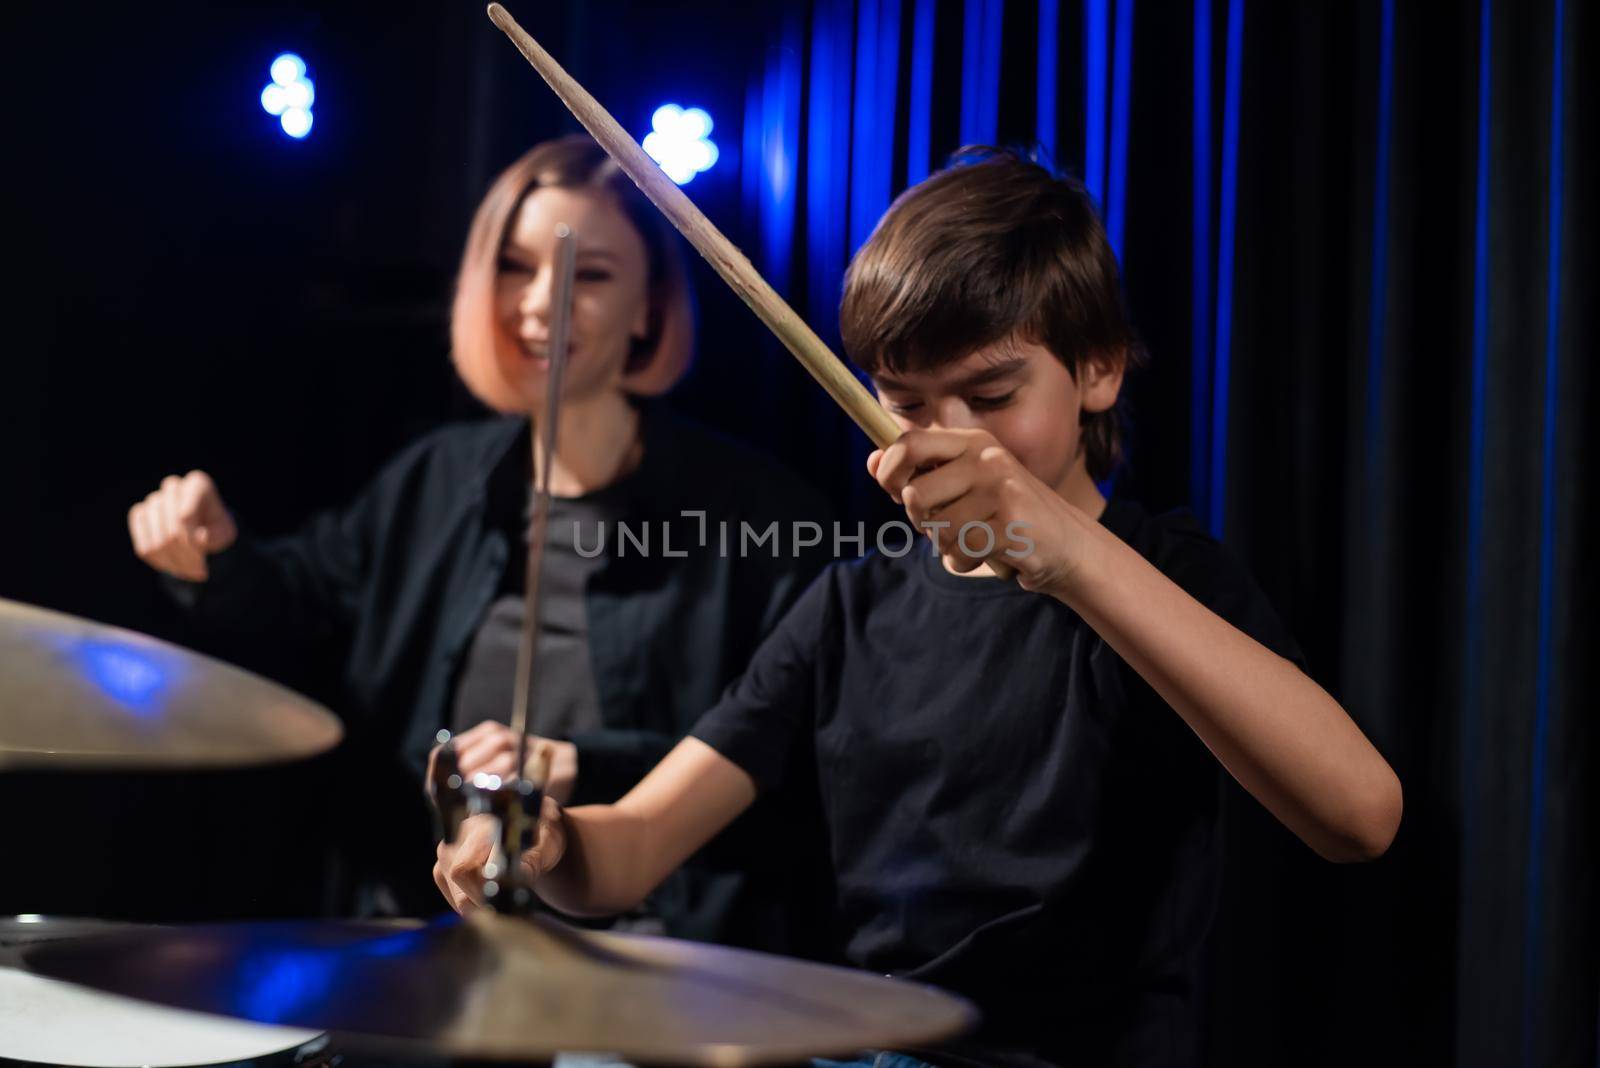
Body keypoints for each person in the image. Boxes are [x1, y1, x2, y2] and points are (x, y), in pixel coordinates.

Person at [434, 149, 1403, 1067]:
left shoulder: (1165, 574)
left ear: (1098, 369)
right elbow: (632, 851)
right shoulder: (853, 601)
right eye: (904, 401)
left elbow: (1359, 816)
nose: (945, 442)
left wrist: (1067, 556)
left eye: (990, 394)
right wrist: (546, 840)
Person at [127, 134, 834, 943]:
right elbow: (290, 601)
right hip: (425, 945)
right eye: (513, 267)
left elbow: (793, 758)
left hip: (657, 966)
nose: (540, 303)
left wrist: (586, 764)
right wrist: (213, 554)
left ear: (651, 307)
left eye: (588, 275)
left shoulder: (756, 514)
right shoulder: (436, 480)